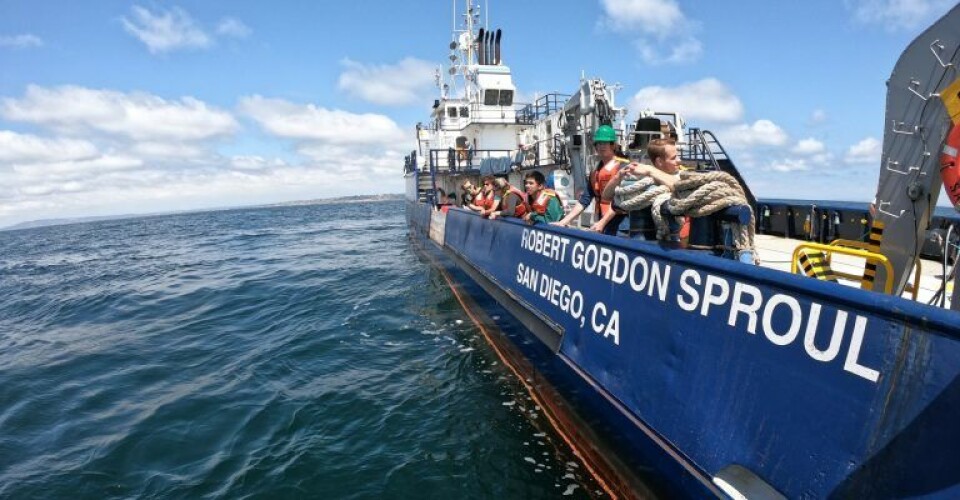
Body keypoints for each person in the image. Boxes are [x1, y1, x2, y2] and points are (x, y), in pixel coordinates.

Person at [552, 124, 629, 234]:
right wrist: (564, 222)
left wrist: (602, 223)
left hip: (620, 226)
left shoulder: (623, 167)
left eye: (605, 143)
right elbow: (584, 200)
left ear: (613, 145)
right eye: (599, 143)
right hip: (602, 223)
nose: (601, 146)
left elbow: (621, 201)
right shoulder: (595, 172)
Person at [602, 138, 683, 240]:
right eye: (674, 158)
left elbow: (680, 187)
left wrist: (650, 170)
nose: (679, 161)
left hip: (672, 242)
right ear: (659, 161)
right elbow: (606, 196)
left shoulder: (680, 176)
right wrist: (618, 176)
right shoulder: (641, 181)